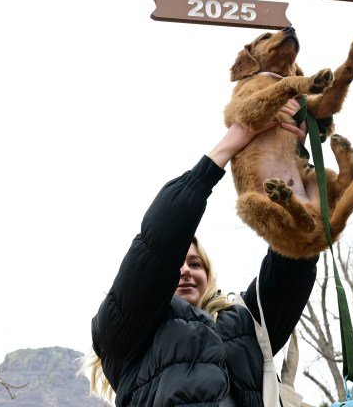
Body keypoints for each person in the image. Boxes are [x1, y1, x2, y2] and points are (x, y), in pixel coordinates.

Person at [88, 104, 319, 407]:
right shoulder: (126, 328)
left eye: (195, 264)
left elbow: (291, 268)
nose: (184, 270)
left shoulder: (245, 323)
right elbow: (157, 247)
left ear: (208, 275)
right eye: (176, 264)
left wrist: (287, 162)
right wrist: (229, 146)